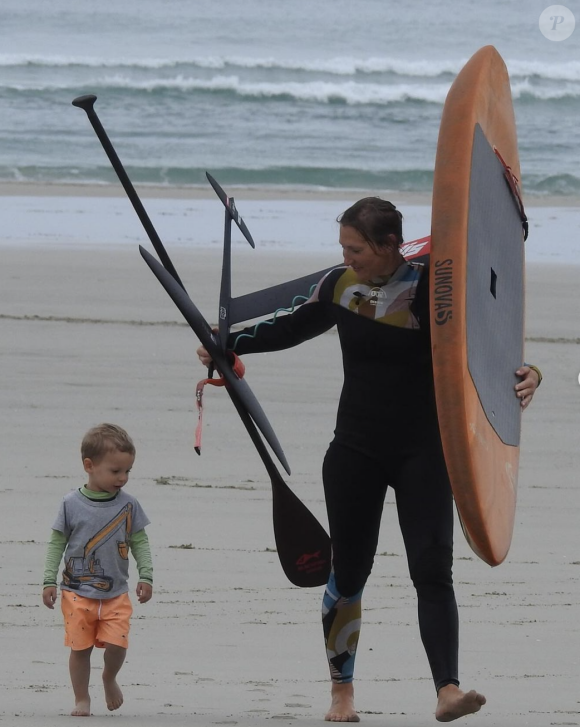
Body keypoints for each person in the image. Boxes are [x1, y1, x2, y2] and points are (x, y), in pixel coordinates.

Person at [197, 198, 541, 723]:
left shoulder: (436, 290)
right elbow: (291, 326)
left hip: (425, 451)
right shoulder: (338, 286)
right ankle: (342, 691)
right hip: (355, 450)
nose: (346, 256)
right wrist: (227, 343)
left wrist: (531, 372)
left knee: (432, 569)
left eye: (354, 248)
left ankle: (448, 689)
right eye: (343, 247)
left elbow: (492, 343)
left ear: (387, 246)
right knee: (350, 572)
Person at [42, 423, 153, 717]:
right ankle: (81, 699)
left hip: (116, 591)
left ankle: (109, 677)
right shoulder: (70, 504)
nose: (123, 478)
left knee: (117, 644)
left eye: (127, 471)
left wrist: (146, 575)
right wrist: (48, 580)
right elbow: (57, 543)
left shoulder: (129, 505)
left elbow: (140, 541)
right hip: (76, 592)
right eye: (115, 471)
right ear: (89, 466)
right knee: (80, 649)